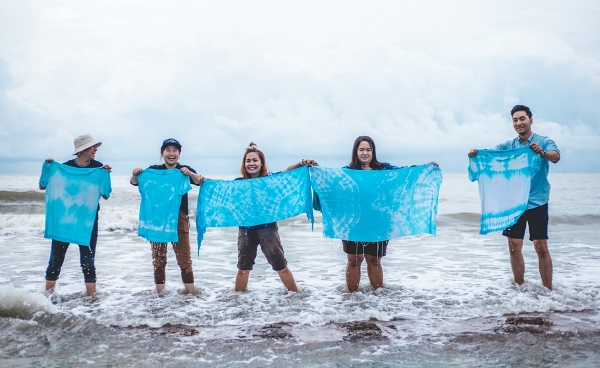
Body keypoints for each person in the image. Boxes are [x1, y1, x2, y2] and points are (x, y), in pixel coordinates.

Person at [468, 105, 560, 290]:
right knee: (513, 246)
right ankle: (520, 289)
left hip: (537, 201)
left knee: (541, 247)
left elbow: (556, 156)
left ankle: (549, 292)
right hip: (514, 202)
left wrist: (541, 153)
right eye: (515, 120)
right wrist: (477, 154)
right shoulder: (509, 146)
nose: (519, 123)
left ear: (530, 120)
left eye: (522, 118)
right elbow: (493, 155)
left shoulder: (543, 141)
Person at [228, 142, 317, 292]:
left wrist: (301, 163)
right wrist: (201, 180)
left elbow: (286, 172)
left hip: (267, 228)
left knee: (281, 266)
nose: (251, 163)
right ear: (244, 164)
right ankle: (238, 302)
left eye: (255, 160)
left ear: (261, 163)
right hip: (246, 230)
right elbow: (220, 189)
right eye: (248, 160)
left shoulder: (270, 179)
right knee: (243, 269)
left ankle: (296, 296)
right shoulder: (239, 183)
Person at [40, 133, 112, 296]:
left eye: (96, 147)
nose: (95, 149)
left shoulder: (98, 167)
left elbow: (106, 195)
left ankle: (91, 301)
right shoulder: (63, 167)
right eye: (93, 147)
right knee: (56, 260)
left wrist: (105, 174)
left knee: (88, 261)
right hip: (64, 220)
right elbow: (42, 185)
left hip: (88, 222)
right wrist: (49, 168)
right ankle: (47, 298)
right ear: (83, 149)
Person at [130, 138, 203, 294]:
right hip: (158, 220)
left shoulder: (184, 170)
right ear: (162, 153)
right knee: (158, 260)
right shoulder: (154, 170)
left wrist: (189, 173)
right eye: (168, 150)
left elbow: (200, 181)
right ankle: (160, 297)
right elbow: (135, 182)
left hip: (179, 219)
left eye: (175, 150)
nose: (171, 153)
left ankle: (191, 296)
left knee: (184, 260)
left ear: (179, 154)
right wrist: (135, 174)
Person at [341, 135, 409, 292]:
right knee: (354, 260)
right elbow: (330, 183)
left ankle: (379, 300)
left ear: (373, 151)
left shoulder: (383, 169)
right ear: (355, 152)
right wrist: (314, 170)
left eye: (368, 149)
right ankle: (352, 299)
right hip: (354, 222)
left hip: (379, 221)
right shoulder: (347, 172)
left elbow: (406, 174)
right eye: (361, 149)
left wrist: (425, 167)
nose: (365, 153)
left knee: (374, 260)